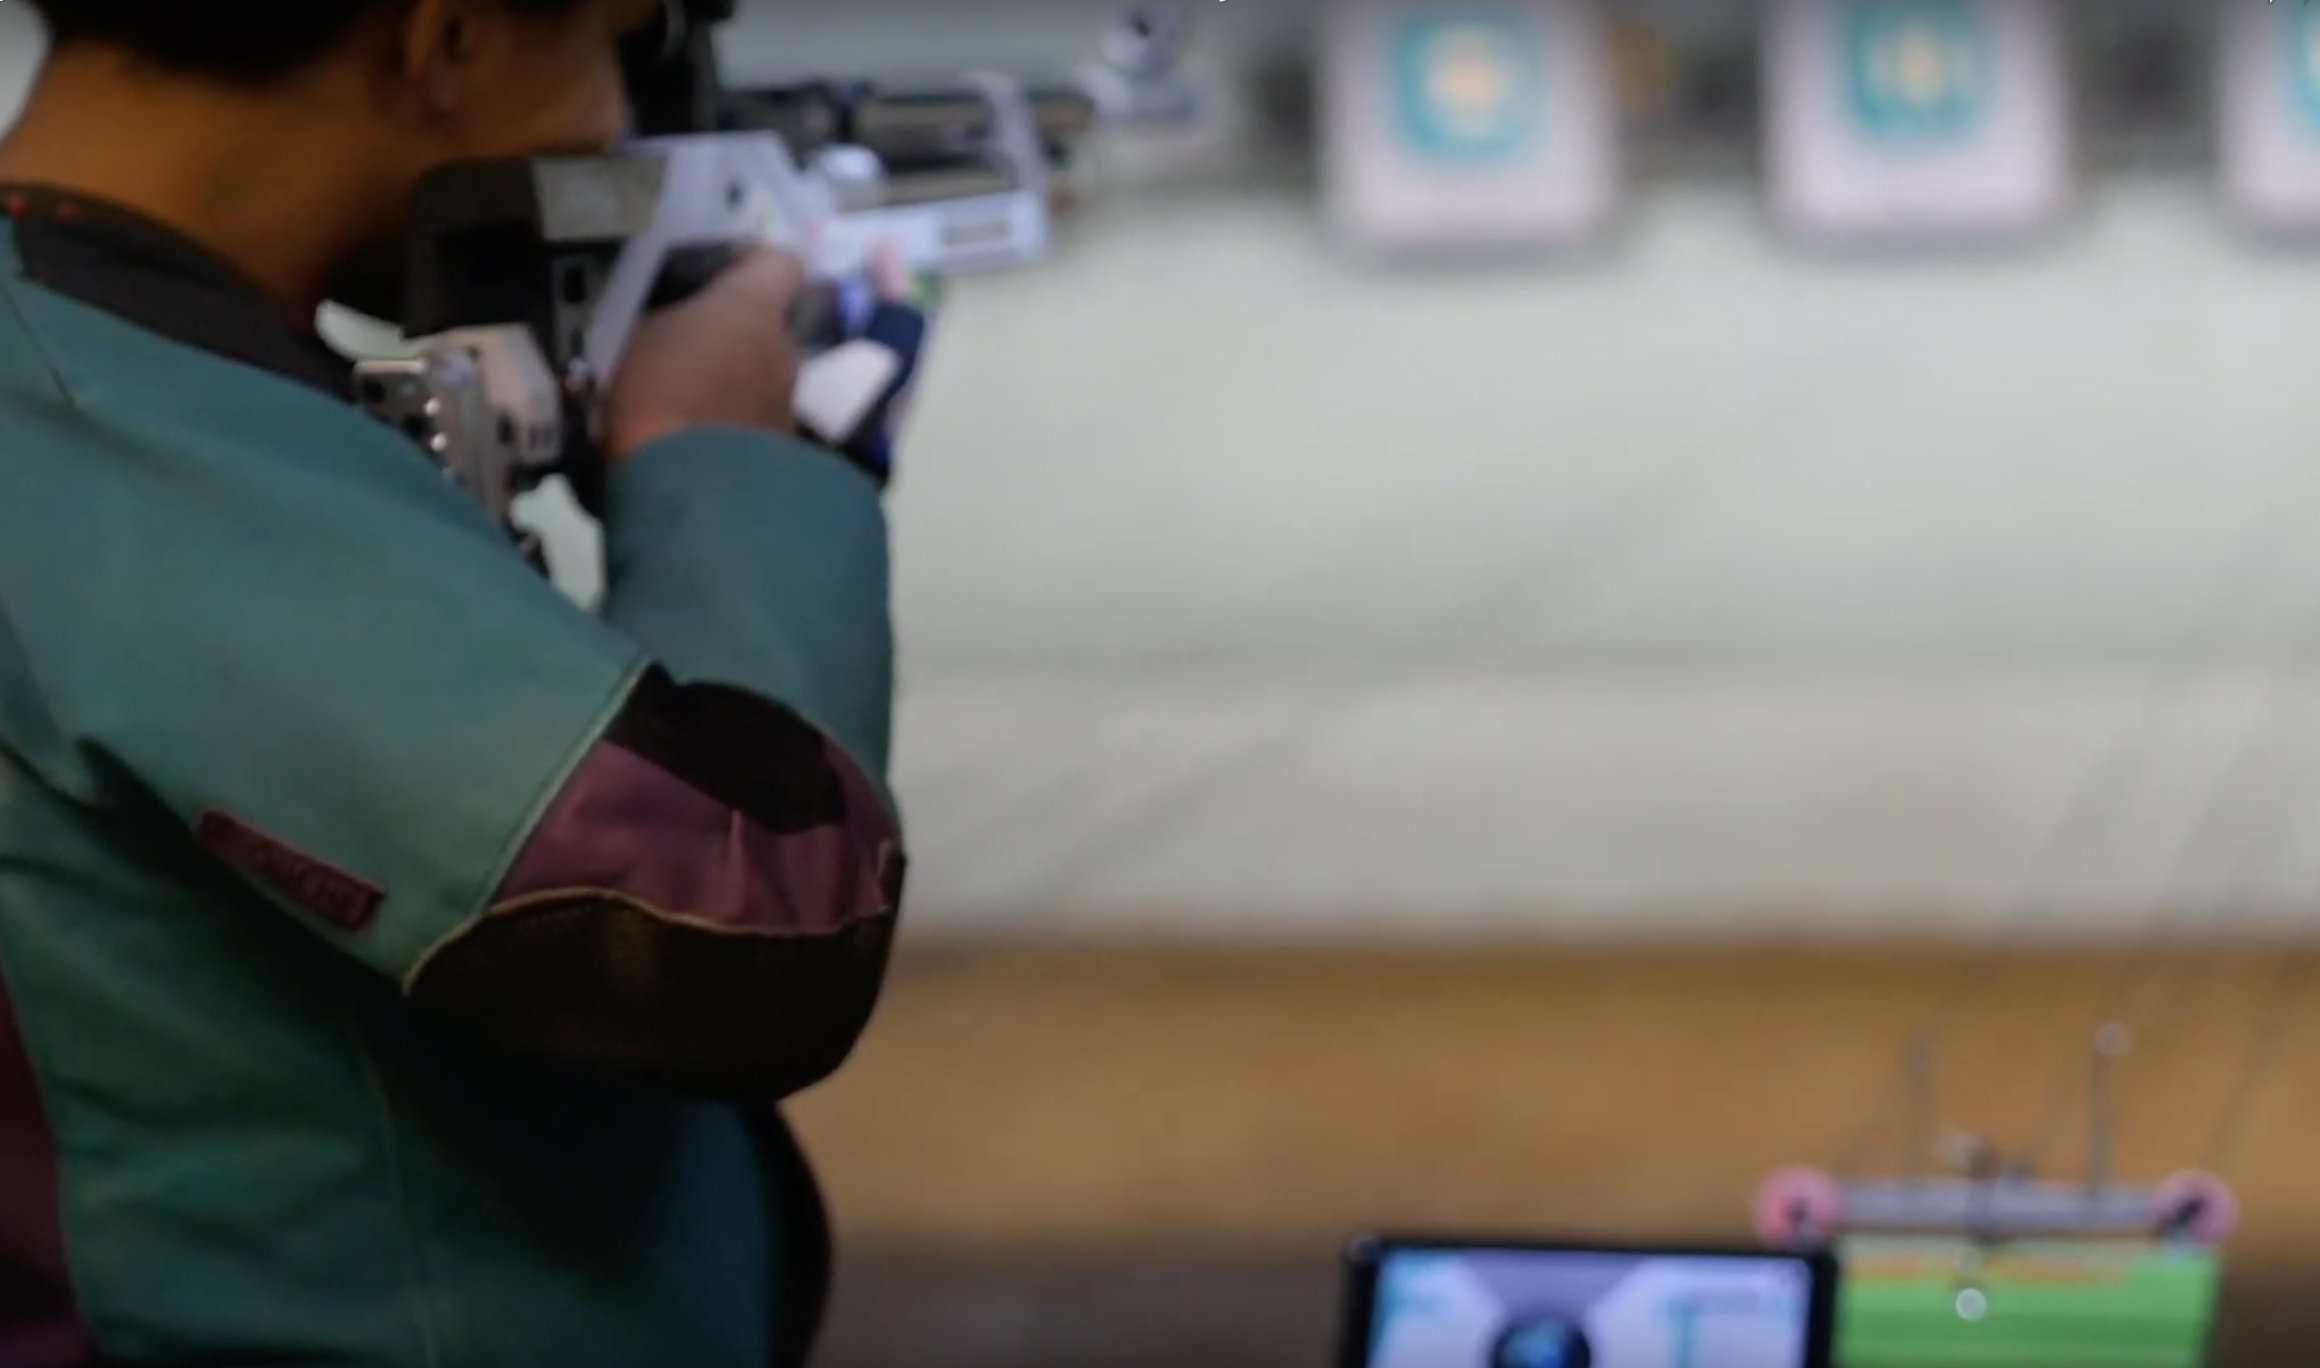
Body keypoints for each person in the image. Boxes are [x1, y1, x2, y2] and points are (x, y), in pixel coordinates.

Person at [0, 2, 911, 1365]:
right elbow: (728, 929)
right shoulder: (95, 422)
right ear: (444, 41)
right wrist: (725, 462)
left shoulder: (99, 368)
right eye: (613, 44)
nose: (613, 123)